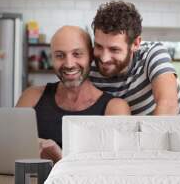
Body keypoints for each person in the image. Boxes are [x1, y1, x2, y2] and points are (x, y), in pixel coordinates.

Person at [16, 26, 130, 163]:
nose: (69, 64)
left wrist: (60, 158)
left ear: (91, 57)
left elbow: (117, 167)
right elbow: (8, 143)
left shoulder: (115, 108)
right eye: (60, 55)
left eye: (77, 54)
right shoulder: (32, 96)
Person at [89, 0, 180, 115]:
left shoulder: (152, 54)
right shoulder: (90, 64)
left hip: (167, 131)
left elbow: (168, 105)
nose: (104, 58)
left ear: (135, 44)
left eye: (114, 49)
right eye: (99, 46)